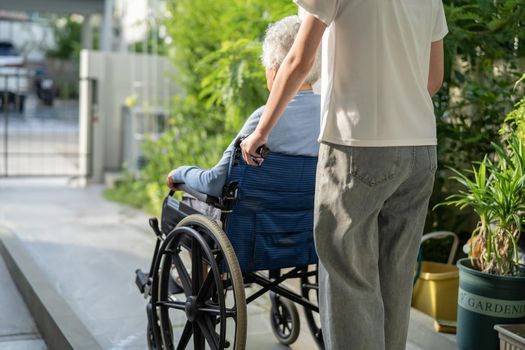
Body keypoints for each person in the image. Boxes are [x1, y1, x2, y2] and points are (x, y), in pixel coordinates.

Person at [241, 1, 447, 349]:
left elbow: (298, 60)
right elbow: (433, 78)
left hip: (358, 144)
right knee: (394, 278)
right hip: (420, 148)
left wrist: (260, 132)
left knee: (349, 281)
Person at [166, 15, 321, 220]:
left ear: (275, 71)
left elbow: (214, 183)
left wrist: (180, 173)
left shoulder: (264, 120)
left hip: (253, 233)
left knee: (180, 208)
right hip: (304, 231)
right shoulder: (328, 115)